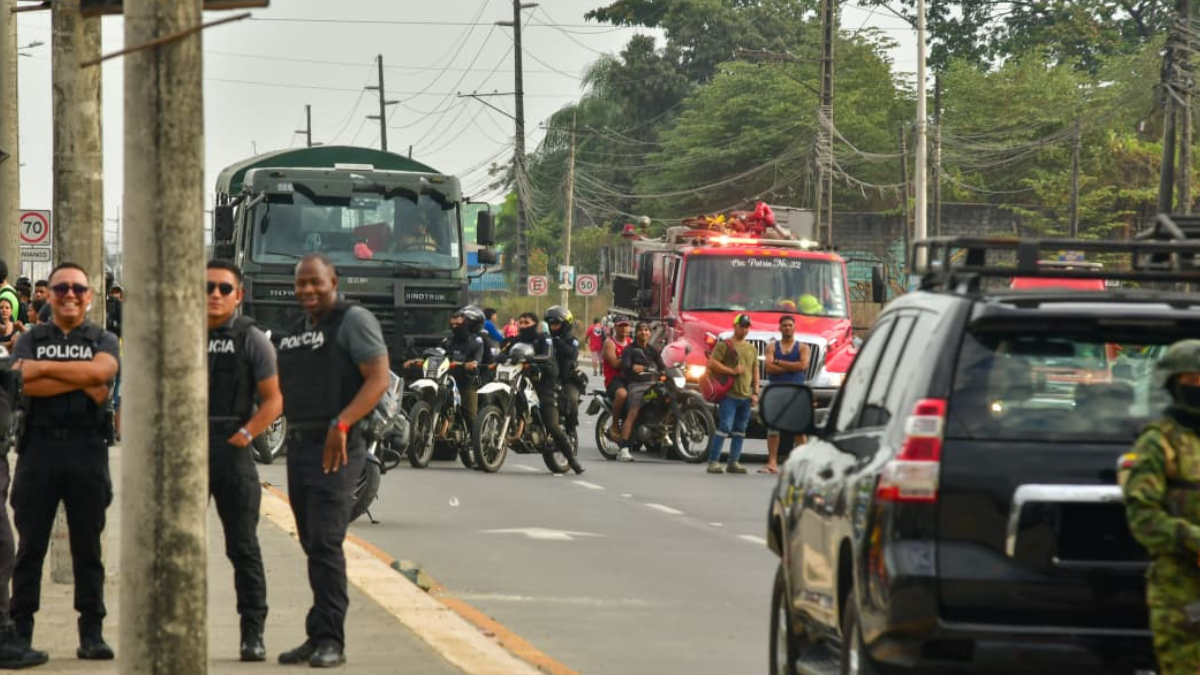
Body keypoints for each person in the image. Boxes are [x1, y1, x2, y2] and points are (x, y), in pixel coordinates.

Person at [275, 254, 390, 667]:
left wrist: (342, 423)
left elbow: (378, 376)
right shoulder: (295, 331)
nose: (307, 290)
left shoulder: (353, 320)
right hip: (301, 445)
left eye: (315, 283)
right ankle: (317, 630)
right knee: (311, 542)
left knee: (325, 541)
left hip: (338, 444)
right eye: (301, 283)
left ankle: (331, 641)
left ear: (333, 281)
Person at [10, 262, 119, 661]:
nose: (69, 295)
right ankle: (20, 632)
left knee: (88, 549)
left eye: (77, 288)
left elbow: (106, 371)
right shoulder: (32, 338)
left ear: (89, 296)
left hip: (87, 451)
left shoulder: (102, 337)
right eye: (60, 289)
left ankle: (91, 633)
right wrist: (85, 378)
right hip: (39, 451)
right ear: (49, 296)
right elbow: (22, 377)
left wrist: (49, 373)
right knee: (30, 549)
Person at [205, 260, 283, 662]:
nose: (215, 295)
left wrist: (247, 434)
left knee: (243, 548)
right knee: (176, 544)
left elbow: (273, 400)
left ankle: (253, 634)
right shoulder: (181, 332)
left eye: (223, 288)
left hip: (232, 449)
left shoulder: (251, 338)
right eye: (208, 288)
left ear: (238, 295)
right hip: (188, 450)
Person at [1123, 339, 1200, 675]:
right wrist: (1193, 539)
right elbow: (1144, 518)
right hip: (1181, 593)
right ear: (1174, 384)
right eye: (1192, 382)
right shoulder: (1158, 442)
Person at [505, 312, 584, 475]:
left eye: (526, 322)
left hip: (547, 384)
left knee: (552, 424)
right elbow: (504, 350)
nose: (522, 325)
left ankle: (573, 459)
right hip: (525, 381)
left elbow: (549, 355)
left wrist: (532, 360)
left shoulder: (545, 339)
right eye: (520, 322)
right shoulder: (518, 340)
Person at [409, 307, 483, 431]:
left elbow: (478, 357)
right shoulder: (448, 340)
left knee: (470, 414)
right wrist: (418, 360)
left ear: (466, 323)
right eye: (452, 324)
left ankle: (473, 442)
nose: (455, 326)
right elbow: (437, 353)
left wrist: (472, 363)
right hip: (446, 378)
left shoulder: (476, 341)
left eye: (458, 324)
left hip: (466, 381)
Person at [704, 314, 759, 474]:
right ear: (735, 326)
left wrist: (755, 392)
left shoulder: (751, 348)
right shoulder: (725, 345)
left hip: (746, 396)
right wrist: (731, 371)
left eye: (747, 326)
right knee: (724, 427)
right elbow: (712, 363)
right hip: (729, 395)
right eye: (742, 326)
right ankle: (713, 461)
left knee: (740, 430)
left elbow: (755, 371)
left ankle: (733, 462)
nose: (744, 329)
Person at [763, 315, 810, 474]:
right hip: (776, 392)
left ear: (794, 327)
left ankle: (801, 463)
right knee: (773, 430)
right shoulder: (771, 347)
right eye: (784, 325)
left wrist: (780, 362)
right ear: (780, 328)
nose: (788, 328)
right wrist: (792, 366)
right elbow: (768, 368)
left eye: (790, 325)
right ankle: (772, 463)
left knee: (799, 430)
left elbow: (803, 366)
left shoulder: (803, 348)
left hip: (796, 393)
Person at [618, 322, 666, 461]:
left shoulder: (652, 350)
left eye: (646, 330)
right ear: (636, 333)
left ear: (650, 333)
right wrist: (632, 366)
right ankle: (624, 448)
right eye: (641, 330)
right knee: (634, 411)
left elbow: (662, 366)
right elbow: (625, 365)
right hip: (636, 385)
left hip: (652, 384)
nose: (644, 332)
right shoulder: (629, 350)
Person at [545, 306, 583, 438]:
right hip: (547, 379)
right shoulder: (546, 339)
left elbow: (571, 353)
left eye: (556, 323)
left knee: (571, 400)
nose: (553, 327)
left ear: (565, 324)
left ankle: (571, 429)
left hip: (566, 379)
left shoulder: (572, 340)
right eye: (550, 324)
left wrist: (558, 342)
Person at [602, 319, 633, 452]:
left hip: (630, 379)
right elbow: (614, 363)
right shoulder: (610, 343)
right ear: (615, 327)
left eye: (626, 326)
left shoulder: (632, 343)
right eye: (621, 326)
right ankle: (615, 426)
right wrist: (629, 358)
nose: (624, 329)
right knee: (622, 394)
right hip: (614, 380)